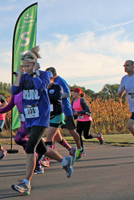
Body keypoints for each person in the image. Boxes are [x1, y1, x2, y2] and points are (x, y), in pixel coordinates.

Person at [11, 46, 74, 195]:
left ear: (34, 64)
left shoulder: (45, 75)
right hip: (30, 118)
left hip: (41, 117)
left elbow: (41, 87)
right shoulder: (24, 76)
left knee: (30, 147)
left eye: (28, 66)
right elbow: (14, 92)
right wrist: (19, 75)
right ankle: (65, 161)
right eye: (23, 66)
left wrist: (35, 73)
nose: (25, 68)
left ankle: (26, 183)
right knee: (42, 149)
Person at [45, 67, 84, 160]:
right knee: (55, 136)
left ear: (54, 74)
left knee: (71, 131)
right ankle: (68, 150)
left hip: (65, 110)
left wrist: (54, 95)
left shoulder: (60, 81)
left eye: (50, 76)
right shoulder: (49, 83)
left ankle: (79, 148)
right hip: (54, 112)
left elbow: (67, 94)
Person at [42, 75, 76, 168]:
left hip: (58, 115)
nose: (47, 83)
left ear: (52, 79)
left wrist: (45, 96)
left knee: (49, 138)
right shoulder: (43, 88)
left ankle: (47, 159)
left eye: (48, 80)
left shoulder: (57, 87)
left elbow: (56, 97)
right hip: (49, 115)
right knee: (57, 138)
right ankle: (71, 149)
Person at [71, 87, 104, 155]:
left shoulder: (82, 100)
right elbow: (72, 111)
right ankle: (81, 150)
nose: (73, 94)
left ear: (78, 94)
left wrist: (79, 112)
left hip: (87, 120)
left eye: (74, 92)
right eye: (72, 92)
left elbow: (87, 110)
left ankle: (98, 136)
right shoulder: (73, 102)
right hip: (80, 120)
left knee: (86, 135)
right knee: (78, 135)